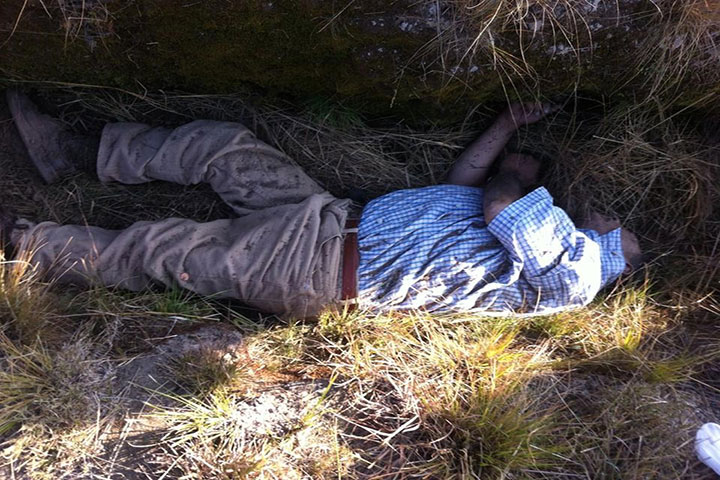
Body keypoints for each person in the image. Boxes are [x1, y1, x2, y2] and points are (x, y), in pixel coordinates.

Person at [0, 90, 642, 318]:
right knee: (225, 148)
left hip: (313, 269)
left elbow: (497, 202)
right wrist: (506, 125)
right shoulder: (552, 246)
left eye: (627, 230)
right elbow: (465, 187)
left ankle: (19, 242)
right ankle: (70, 152)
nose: (617, 219)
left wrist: (515, 175)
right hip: (327, 218)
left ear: (621, 255)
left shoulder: (579, 270)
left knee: (158, 250)